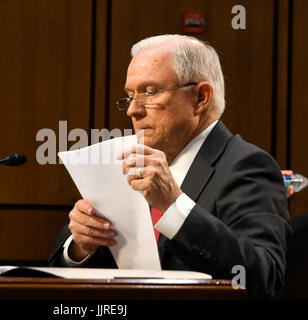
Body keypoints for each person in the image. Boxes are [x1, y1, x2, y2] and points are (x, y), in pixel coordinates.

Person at [48, 34, 291, 299]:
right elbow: (66, 268)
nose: (133, 110)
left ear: (200, 97)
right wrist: (80, 247)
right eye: (130, 96)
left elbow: (262, 278)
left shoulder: (247, 166)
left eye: (149, 92)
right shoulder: (124, 161)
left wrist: (174, 204)